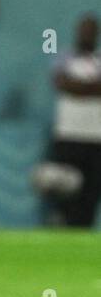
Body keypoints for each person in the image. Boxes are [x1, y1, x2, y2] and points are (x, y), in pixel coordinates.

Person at [48, 15, 101, 227]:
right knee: (64, 188)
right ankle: (63, 225)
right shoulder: (64, 57)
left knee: (91, 191)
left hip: (96, 137)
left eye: (90, 30)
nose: (86, 34)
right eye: (83, 29)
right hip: (67, 135)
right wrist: (90, 88)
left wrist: (77, 87)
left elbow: (72, 85)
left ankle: (83, 229)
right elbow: (60, 82)